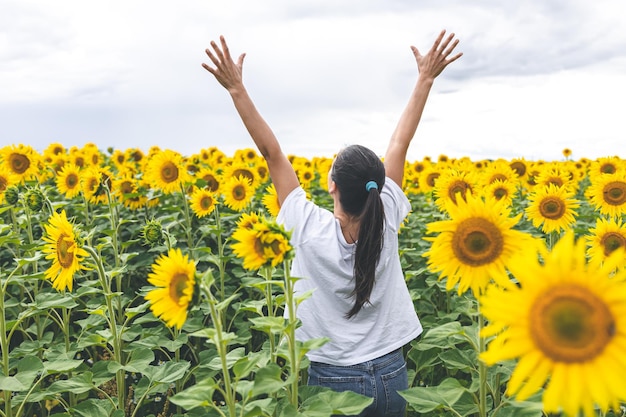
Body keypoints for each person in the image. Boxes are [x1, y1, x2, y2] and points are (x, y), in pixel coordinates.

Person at [203, 30, 462, 417]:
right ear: (377, 188)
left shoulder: (304, 226)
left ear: (332, 186)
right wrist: (425, 79)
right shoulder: (386, 214)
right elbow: (399, 144)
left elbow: (271, 152)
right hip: (392, 374)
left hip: (332, 381)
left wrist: (236, 88)